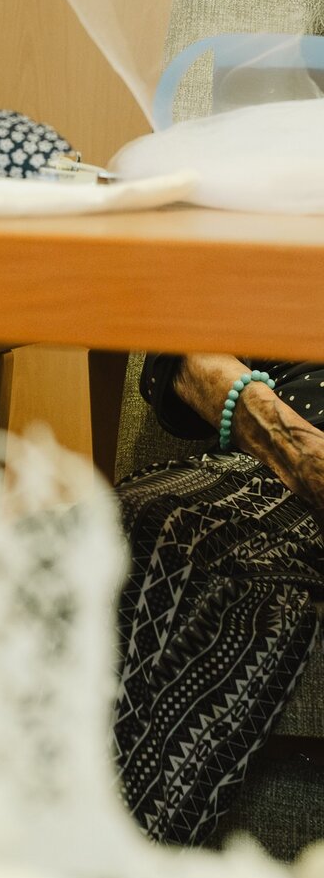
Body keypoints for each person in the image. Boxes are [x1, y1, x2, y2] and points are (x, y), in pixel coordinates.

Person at [112, 349, 324, 848]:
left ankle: (111, 869)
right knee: (129, 532)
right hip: (279, 465)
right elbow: (181, 353)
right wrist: (296, 446)